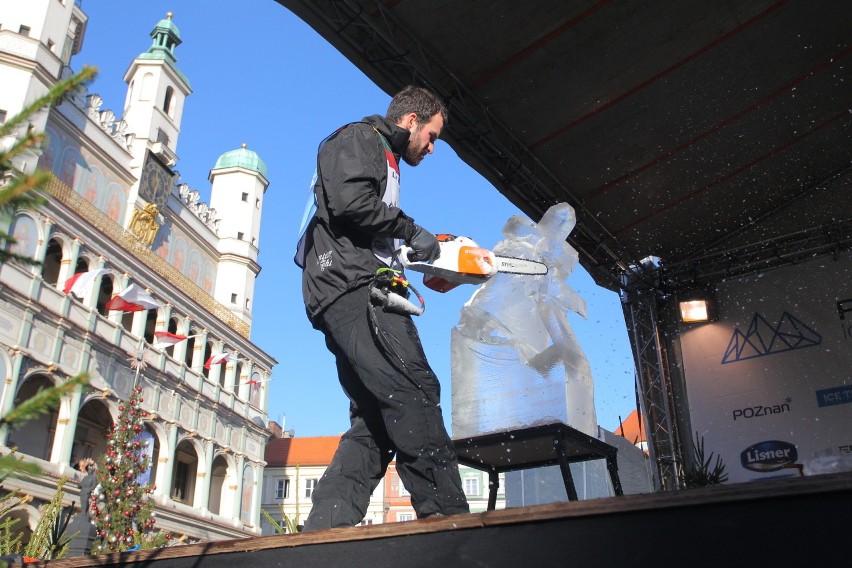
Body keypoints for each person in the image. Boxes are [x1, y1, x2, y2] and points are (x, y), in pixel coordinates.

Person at [295, 85, 470, 530]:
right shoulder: (359, 138)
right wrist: (412, 230)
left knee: (374, 418)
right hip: (356, 287)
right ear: (411, 121)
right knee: (413, 391)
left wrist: (431, 258)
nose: (432, 148)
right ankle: (450, 522)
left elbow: (367, 225)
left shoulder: (386, 161)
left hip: (348, 285)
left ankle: (323, 533)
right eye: (432, 136)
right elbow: (350, 202)